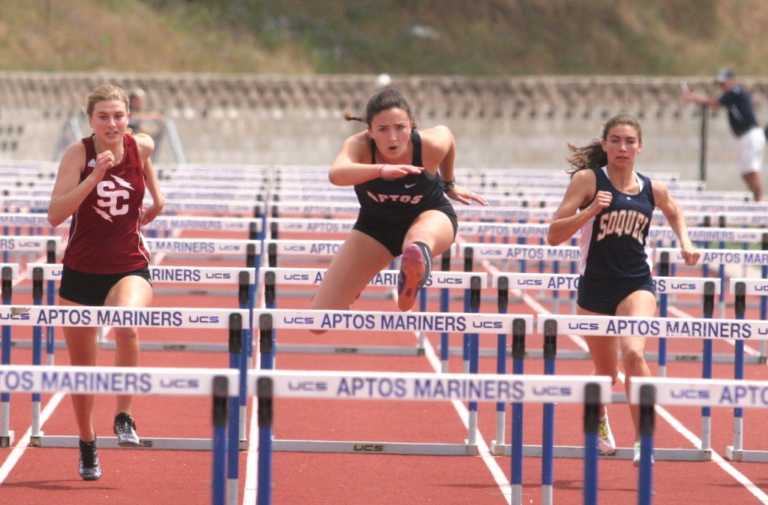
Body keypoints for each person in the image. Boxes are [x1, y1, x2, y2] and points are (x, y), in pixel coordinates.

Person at [546, 114, 700, 465]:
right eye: (615, 140)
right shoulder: (588, 180)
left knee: (634, 353)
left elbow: (674, 211)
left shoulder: (652, 188)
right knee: (606, 373)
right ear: (604, 144)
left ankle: (643, 439)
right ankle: (598, 418)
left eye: (629, 141)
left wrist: (685, 242)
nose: (622, 147)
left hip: (636, 284)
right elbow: (553, 235)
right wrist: (588, 213)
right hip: (596, 287)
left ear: (640, 147)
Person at [47, 83, 165, 480]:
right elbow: (55, 214)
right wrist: (94, 175)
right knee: (83, 368)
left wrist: (158, 198)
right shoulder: (77, 154)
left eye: (119, 115)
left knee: (127, 323)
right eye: (104, 117)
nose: (112, 124)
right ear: (91, 121)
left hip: (128, 263)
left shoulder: (140, 145)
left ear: (128, 117)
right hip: (80, 271)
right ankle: (87, 441)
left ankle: (125, 415)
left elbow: (145, 162)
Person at [311, 87, 486, 314]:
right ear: (370, 131)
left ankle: (414, 268)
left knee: (415, 242)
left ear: (412, 125)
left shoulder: (428, 145)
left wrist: (449, 183)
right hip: (375, 228)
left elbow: (448, 137)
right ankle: (356, 284)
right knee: (320, 318)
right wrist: (381, 170)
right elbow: (337, 173)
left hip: (430, 215)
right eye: (383, 129)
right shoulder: (360, 146)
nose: (392, 137)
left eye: (400, 128)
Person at [681, 68, 765, 201]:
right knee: (745, 173)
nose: (721, 86)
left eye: (723, 82)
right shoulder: (732, 94)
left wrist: (692, 98)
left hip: (750, 135)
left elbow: (714, 103)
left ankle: (760, 202)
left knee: (751, 170)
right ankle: (757, 200)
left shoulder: (735, 91)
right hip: (744, 137)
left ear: (732, 80)